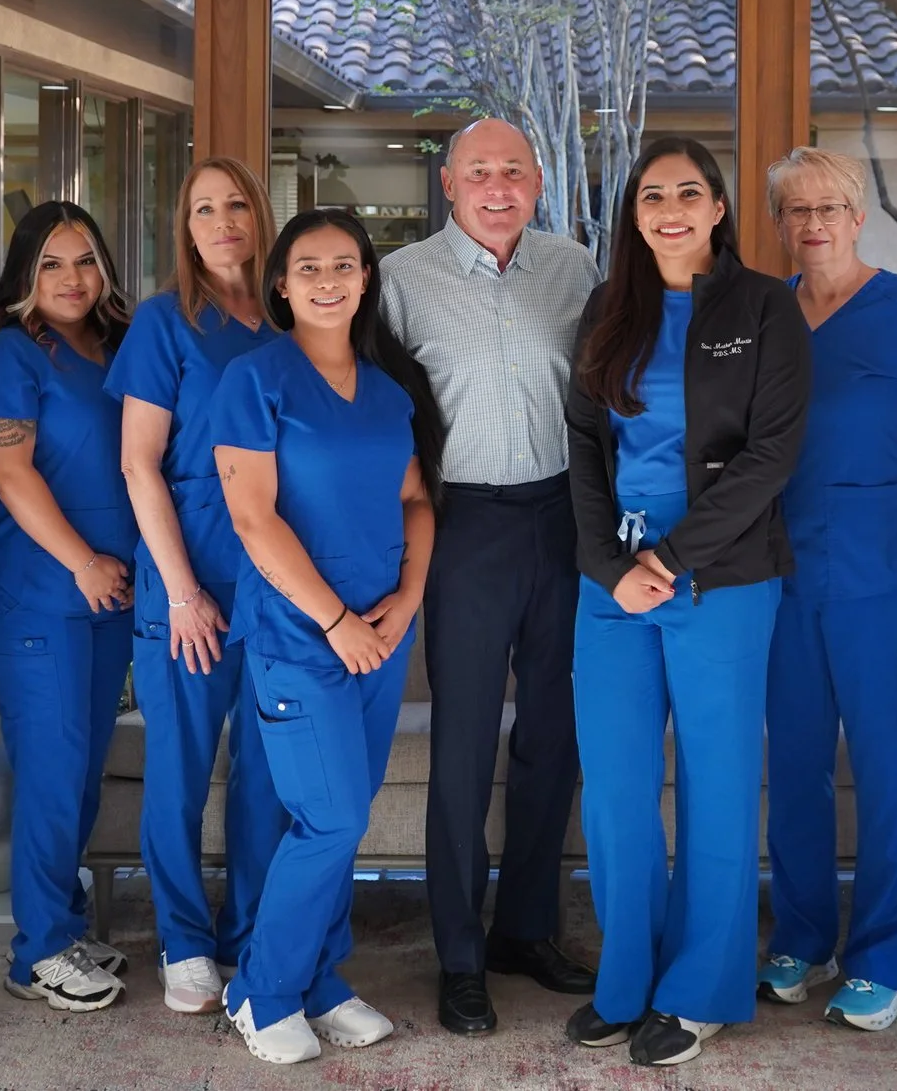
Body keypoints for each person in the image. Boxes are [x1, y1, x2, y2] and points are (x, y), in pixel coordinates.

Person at [564, 136, 810, 1068]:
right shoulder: (606, 307)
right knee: (619, 787)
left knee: (714, 783)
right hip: (614, 582)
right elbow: (585, 445)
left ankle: (703, 988)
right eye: (652, 194)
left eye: (690, 192)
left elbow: (771, 455)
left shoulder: (764, 307)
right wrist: (606, 562)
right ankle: (625, 981)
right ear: (635, 212)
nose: (670, 208)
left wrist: (669, 555)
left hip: (726, 576)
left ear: (718, 208)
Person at [375, 116, 600, 1034]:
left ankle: (527, 930)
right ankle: (460, 955)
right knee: (464, 744)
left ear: (537, 180)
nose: (497, 185)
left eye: (513, 169)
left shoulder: (574, 268)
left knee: (555, 732)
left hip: (563, 519)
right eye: (480, 170)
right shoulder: (400, 281)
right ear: (449, 181)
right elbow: (379, 412)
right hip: (462, 519)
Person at [213, 209, 435, 1066]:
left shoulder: (387, 391)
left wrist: (407, 598)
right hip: (303, 640)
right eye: (309, 267)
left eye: (346, 264)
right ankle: (260, 988)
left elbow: (418, 499)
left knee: (342, 813)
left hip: (378, 639)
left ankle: (321, 979)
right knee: (332, 816)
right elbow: (251, 516)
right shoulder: (256, 378)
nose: (329, 279)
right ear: (280, 282)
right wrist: (337, 620)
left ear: (367, 278)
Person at [761, 147, 897, 1032]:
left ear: (859, 216)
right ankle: (804, 936)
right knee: (796, 762)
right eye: (797, 210)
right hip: (777, 575)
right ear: (779, 223)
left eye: (832, 206)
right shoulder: (766, 314)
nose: (814, 223)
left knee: (887, 766)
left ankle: (883, 956)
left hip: (886, 573)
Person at [110, 157, 284, 1013]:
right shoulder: (164, 322)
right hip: (187, 574)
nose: (221, 222)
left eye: (236, 205)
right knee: (180, 766)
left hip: (276, 576)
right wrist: (182, 591)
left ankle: (251, 933)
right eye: (202, 208)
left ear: (260, 214)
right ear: (185, 226)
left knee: (267, 769)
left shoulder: (290, 318)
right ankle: (183, 941)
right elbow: (139, 464)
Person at [0, 202, 139, 1012]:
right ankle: (36, 952)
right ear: (25, 274)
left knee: (82, 769)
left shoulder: (111, 342)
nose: (72, 279)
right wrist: (85, 562)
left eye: (86, 261)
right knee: (53, 770)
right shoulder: (9, 353)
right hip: (39, 590)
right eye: (53, 265)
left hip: (108, 591)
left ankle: (61, 923)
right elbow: (14, 475)